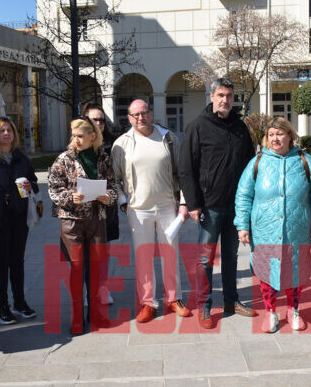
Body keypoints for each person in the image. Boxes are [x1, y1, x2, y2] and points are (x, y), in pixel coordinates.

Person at [179, 77, 257, 329]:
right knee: (204, 259)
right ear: (211, 96)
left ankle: (232, 300)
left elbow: (249, 165)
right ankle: (204, 305)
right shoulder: (197, 126)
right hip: (209, 207)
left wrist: (250, 201)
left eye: (230, 96)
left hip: (236, 206)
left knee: (232, 257)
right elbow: (186, 168)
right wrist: (193, 203)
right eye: (221, 95)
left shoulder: (240, 127)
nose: (225, 100)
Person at [234, 117, 311, 333]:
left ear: (290, 136)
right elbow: (243, 195)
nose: (275, 138)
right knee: (267, 269)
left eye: (280, 134)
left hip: (297, 226)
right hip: (265, 228)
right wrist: (242, 225)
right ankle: (270, 311)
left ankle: (293, 310)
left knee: (295, 268)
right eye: (271, 135)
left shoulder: (305, 161)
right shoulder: (257, 162)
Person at [112, 100, 191, 323]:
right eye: (135, 114)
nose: (140, 118)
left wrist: (183, 202)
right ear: (128, 118)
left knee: (170, 254)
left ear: (151, 113)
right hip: (138, 210)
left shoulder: (168, 138)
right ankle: (148, 303)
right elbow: (115, 178)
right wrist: (124, 202)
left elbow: (182, 172)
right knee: (143, 257)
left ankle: (173, 298)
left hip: (167, 206)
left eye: (144, 113)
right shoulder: (122, 144)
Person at [48, 117, 117, 334]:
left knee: (96, 270)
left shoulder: (103, 158)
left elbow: (114, 185)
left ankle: (96, 314)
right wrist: (71, 197)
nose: (76, 140)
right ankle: (77, 318)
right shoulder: (64, 159)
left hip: (97, 218)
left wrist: (109, 197)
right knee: (77, 269)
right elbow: (53, 189)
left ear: (92, 136)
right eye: (74, 136)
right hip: (72, 222)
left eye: (80, 136)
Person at [0, 117, 39, 325]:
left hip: (19, 216)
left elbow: (34, 182)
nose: (7, 134)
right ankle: (2, 306)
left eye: (10, 130)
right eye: (2, 131)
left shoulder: (21, 159)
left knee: (18, 261)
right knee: (2, 263)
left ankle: (20, 302)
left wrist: (29, 186)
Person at [83, 103, 118, 306]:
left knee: (103, 252)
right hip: (84, 209)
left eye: (102, 120)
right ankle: (89, 291)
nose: (99, 123)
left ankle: (103, 289)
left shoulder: (114, 145)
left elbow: (119, 176)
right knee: (87, 252)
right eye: (94, 119)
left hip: (107, 208)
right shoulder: (78, 145)